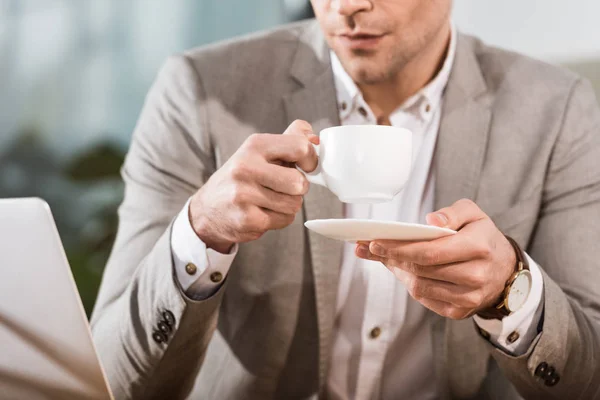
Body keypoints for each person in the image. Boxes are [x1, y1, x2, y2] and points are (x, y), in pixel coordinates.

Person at [90, 0, 600, 399]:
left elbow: (589, 377)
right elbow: (110, 380)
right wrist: (200, 230)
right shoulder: (199, 94)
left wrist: (510, 290)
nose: (346, 7)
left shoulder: (558, 113)